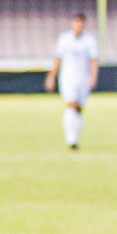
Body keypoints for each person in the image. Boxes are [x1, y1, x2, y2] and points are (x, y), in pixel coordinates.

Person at [44, 12, 99, 150]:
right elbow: (58, 60)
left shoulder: (90, 41)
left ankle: (75, 136)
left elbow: (93, 61)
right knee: (71, 105)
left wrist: (93, 77)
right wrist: (51, 76)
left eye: (81, 23)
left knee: (79, 109)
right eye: (76, 22)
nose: (78, 26)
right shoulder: (64, 39)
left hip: (83, 78)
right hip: (68, 77)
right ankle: (71, 138)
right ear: (72, 23)